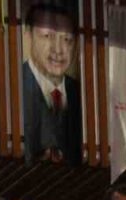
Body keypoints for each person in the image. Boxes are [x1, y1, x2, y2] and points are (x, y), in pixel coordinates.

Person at [21, 2, 83, 165]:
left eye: (67, 39)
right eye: (47, 36)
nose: (58, 50)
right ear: (28, 36)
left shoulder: (81, 93)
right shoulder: (14, 85)